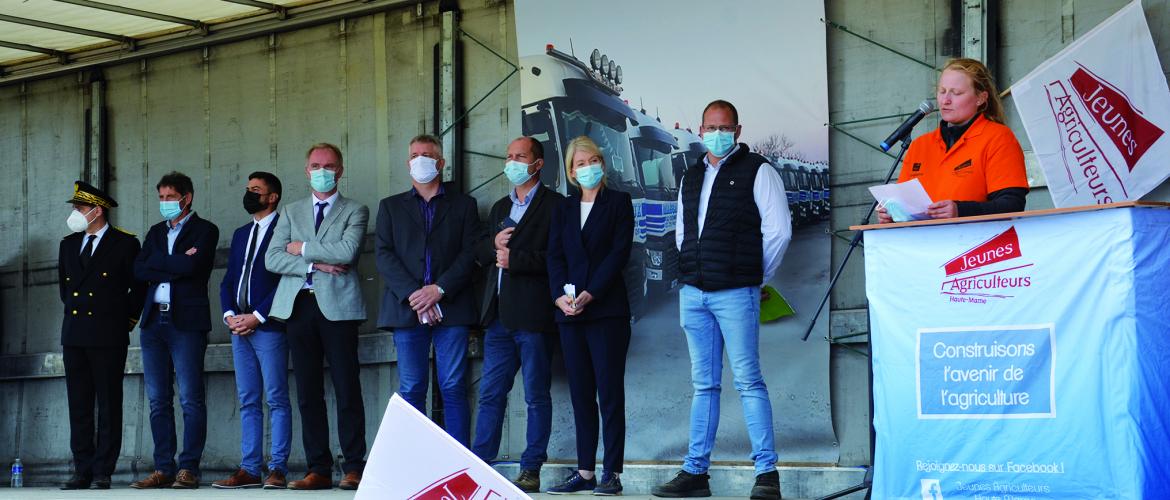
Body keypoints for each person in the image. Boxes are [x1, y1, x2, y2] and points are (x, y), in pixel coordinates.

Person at [652, 100, 791, 500]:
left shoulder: (759, 171)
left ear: (738, 130)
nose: (717, 133)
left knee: (748, 381)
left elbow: (778, 231)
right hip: (694, 294)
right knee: (704, 384)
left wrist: (756, 276)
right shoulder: (692, 176)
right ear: (700, 129)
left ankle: (767, 474)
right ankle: (696, 472)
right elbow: (682, 232)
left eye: (724, 127)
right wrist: (691, 273)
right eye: (711, 127)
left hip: (736, 292)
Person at [265, 143, 369, 491]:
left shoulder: (356, 210)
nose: (322, 170)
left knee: (346, 388)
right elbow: (273, 258)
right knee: (308, 392)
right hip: (298, 307)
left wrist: (303, 248)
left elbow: (348, 251)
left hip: (338, 309)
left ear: (340, 170)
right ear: (306, 170)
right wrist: (315, 263)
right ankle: (318, 468)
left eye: (328, 165)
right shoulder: (291, 212)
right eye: (315, 165)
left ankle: (353, 466)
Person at [471, 137, 563, 493]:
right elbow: (480, 251)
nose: (512, 162)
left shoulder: (556, 206)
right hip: (498, 320)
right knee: (491, 394)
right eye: (509, 156)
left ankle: (531, 469)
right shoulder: (498, 207)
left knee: (536, 396)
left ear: (537, 164)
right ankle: (479, 464)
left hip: (535, 318)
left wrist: (518, 260)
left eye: (520, 157)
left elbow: (559, 258)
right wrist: (492, 245)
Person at [375, 134, 480, 446]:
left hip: (453, 307)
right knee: (412, 387)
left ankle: (460, 464)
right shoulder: (390, 207)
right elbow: (383, 255)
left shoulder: (464, 205)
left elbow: (470, 253)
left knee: (453, 386)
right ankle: (415, 462)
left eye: (428, 154)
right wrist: (416, 295)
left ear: (441, 163)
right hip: (407, 309)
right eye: (416, 154)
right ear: (409, 164)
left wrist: (440, 289)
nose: (421, 159)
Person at [545, 136, 633, 496]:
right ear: (570, 171)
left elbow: (618, 254)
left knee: (609, 393)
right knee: (581, 394)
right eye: (580, 163)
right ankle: (585, 472)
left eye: (593, 160)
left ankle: (611, 472)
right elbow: (554, 257)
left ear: (602, 163)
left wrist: (590, 292)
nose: (588, 167)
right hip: (570, 314)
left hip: (606, 311)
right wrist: (558, 299)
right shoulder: (563, 209)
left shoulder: (619, 203)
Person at [131, 172, 220, 489]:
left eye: (170, 197)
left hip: (187, 324)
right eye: (161, 198)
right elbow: (140, 270)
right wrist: (176, 260)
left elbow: (194, 267)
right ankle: (163, 467)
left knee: (191, 399)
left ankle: (188, 469)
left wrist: (161, 262)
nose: (165, 203)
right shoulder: (155, 232)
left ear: (187, 197)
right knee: (158, 400)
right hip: (154, 322)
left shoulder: (205, 230)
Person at [57, 181, 146, 490]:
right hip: (75, 334)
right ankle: (82, 468)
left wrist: (126, 322)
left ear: (97, 211)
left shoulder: (124, 244)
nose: (74, 213)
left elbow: (139, 288)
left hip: (108, 334)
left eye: (79, 208)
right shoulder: (68, 244)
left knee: (108, 404)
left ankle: (102, 470)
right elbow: (64, 290)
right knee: (79, 405)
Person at [213, 172, 291, 490]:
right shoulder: (242, 232)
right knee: (248, 399)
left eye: (256, 190)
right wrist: (230, 314)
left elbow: (286, 279)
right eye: (248, 189)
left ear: (272, 197)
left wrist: (257, 316)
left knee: (276, 398)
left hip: (268, 326)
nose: (249, 194)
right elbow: (229, 279)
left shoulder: (284, 228)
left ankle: (277, 468)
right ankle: (249, 468)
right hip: (238, 328)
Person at [878, 58, 1028, 223]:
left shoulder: (998, 137)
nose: (945, 100)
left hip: (978, 244)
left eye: (956, 93)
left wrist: (960, 210)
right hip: (922, 245)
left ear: (981, 98)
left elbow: (1012, 204)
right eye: (942, 91)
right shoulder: (920, 145)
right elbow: (904, 207)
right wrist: (892, 214)